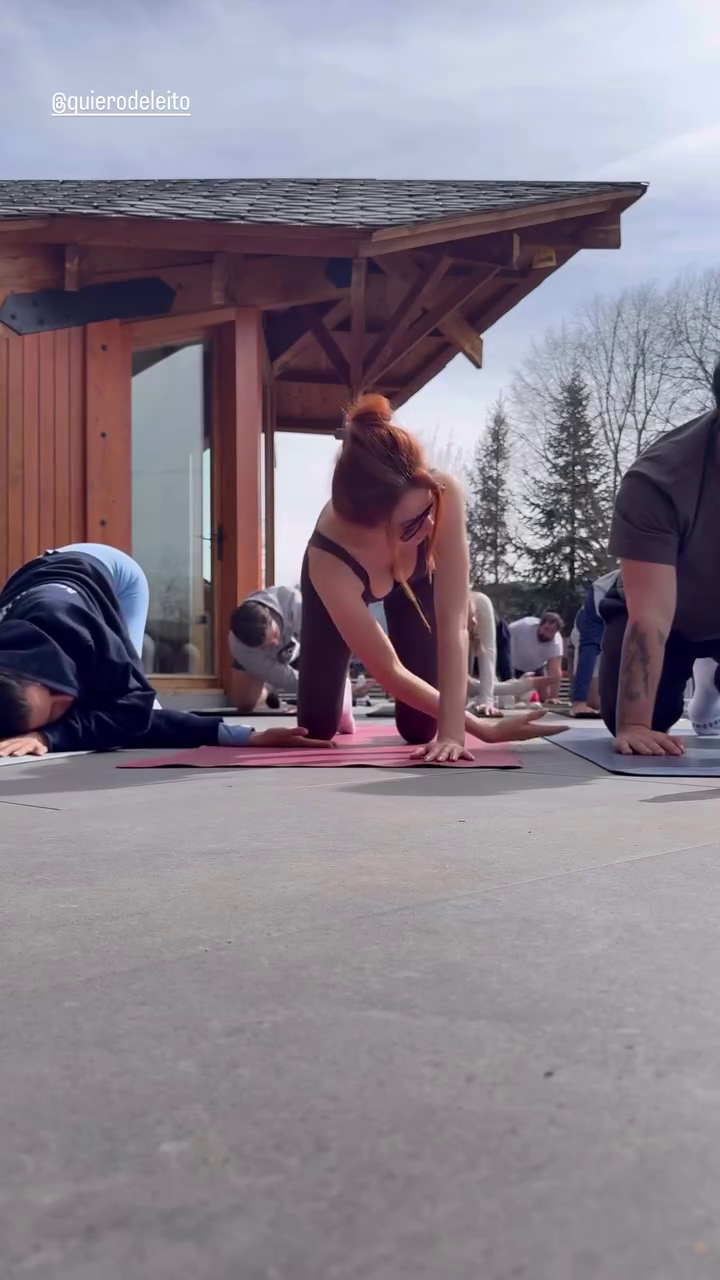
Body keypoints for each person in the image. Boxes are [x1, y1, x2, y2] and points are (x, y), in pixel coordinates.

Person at [296, 394, 565, 763]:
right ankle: (337, 692)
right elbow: (387, 669)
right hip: (340, 591)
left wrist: (454, 732)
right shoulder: (330, 560)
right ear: (368, 526)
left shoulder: (442, 493)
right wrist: (483, 728)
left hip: (418, 584)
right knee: (314, 730)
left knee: (421, 728)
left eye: (427, 510)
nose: (430, 528)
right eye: (410, 526)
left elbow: (454, 626)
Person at [0, 544, 331, 757]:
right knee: (102, 714)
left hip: (110, 570)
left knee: (128, 703)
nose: (65, 701)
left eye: (53, 694)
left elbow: (133, 714)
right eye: (53, 713)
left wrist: (50, 735)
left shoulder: (87, 638)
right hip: (31, 581)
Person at [600, 361, 720, 756]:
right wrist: (635, 723)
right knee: (641, 724)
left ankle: (710, 684)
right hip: (667, 616)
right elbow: (650, 615)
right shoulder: (658, 479)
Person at [466, 591, 555, 714]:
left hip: (498, 632)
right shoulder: (524, 627)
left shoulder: (480, 604)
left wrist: (486, 699)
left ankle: (509, 696)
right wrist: (519, 686)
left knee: (503, 673)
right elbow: (466, 686)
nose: (474, 621)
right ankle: (512, 693)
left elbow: (488, 653)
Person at [570, 570, 619, 717]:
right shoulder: (601, 591)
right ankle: (580, 700)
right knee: (593, 701)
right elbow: (588, 647)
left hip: (620, 623)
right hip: (590, 630)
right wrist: (580, 700)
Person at [508, 612, 564, 700]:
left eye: (552, 631)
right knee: (509, 697)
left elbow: (555, 671)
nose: (547, 634)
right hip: (513, 666)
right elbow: (504, 635)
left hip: (536, 668)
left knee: (545, 697)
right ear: (540, 625)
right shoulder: (523, 625)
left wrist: (553, 697)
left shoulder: (556, 642)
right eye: (546, 629)